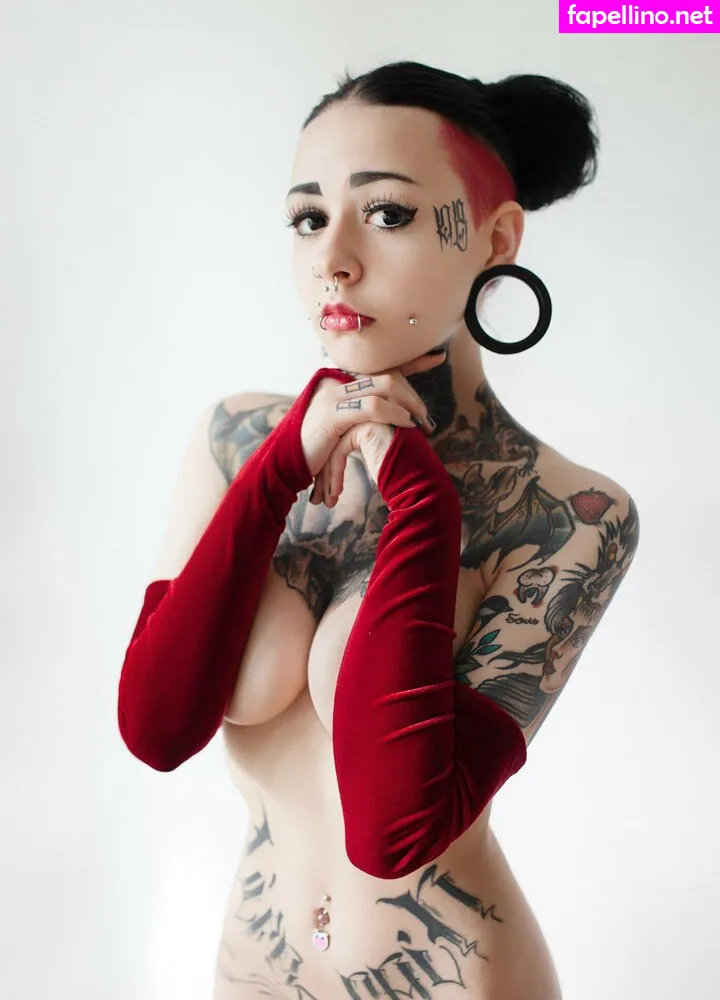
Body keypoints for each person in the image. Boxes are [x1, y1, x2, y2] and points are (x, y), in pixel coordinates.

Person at [117, 61, 640, 1000]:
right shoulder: (236, 441)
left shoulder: (571, 514)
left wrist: (425, 506)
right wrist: (278, 470)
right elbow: (156, 727)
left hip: (451, 978)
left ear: (496, 239)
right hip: (254, 971)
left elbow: (398, 829)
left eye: (387, 212)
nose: (333, 258)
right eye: (308, 218)